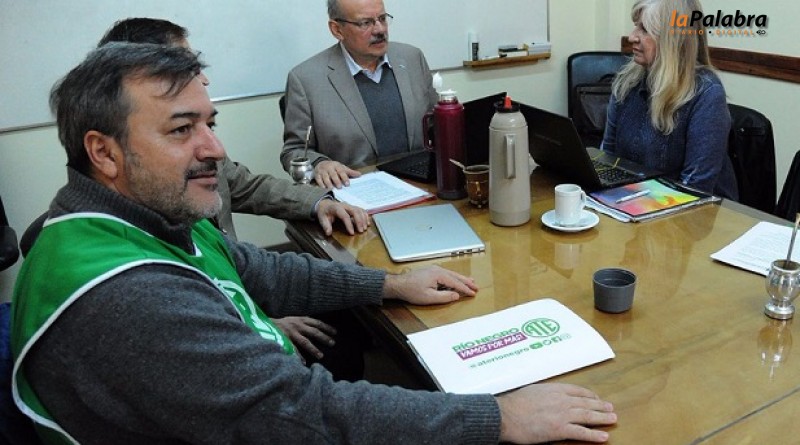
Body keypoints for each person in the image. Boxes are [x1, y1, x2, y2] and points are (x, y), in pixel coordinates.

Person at [11, 43, 616, 445]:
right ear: (104, 152)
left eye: (209, 124)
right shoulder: (131, 298)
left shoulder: (139, 216)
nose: (215, 149)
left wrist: (390, 283)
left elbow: (257, 270)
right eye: (181, 129)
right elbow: (302, 415)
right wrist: (498, 417)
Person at [98, 17, 370, 378]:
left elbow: (246, 187)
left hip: (240, 290)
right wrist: (261, 321)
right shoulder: (143, 205)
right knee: (340, 345)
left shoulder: (193, 148)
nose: (204, 79)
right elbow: (195, 302)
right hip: (233, 318)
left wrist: (318, 201)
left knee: (345, 312)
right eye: (189, 67)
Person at [280, 0, 439, 189]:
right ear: (337, 30)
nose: (380, 30)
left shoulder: (412, 58)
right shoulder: (306, 79)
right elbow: (294, 151)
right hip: (353, 191)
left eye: (382, 18)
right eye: (365, 23)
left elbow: (437, 124)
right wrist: (319, 164)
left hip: (421, 186)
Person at [601, 0, 739, 200]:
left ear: (673, 39)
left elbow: (694, 190)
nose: (632, 37)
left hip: (696, 213)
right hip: (632, 203)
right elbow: (606, 158)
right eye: (636, 26)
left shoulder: (707, 93)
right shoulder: (626, 82)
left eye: (645, 29)